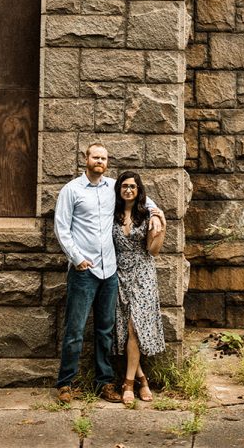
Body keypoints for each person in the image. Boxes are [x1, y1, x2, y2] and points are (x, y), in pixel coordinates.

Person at [53, 143, 165, 403]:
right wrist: (77, 258)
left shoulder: (112, 188)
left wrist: (157, 216)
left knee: (106, 331)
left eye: (103, 158)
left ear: (107, 161)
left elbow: (141, 197)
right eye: (95, 157)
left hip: (110, 272)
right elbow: (61, 228)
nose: (99, 161)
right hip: (85, 271)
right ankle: (65, 384)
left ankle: (104, 383)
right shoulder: (72, 190)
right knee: (75, 330)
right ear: (86, 159)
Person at [113, 169, 167, 407]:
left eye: (133, 187)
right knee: (124, 330)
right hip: (117, 273)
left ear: (138, 190)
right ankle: (143, 378)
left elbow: (153, 250)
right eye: (124, 186)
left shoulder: (146, 215)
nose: (128, 190)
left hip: (143, 273)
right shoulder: (111, 214)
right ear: (119, 189)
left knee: (135, 327)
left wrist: (161, 224)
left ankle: (128, 384)